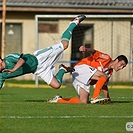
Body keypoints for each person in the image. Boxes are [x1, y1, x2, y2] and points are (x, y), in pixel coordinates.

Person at [0, 15, 86, 89]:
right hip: (39, 69)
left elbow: (23, 59)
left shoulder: (9, 58)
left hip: (40, 58)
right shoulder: (1, 75)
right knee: (57, 85)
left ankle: (73, 24)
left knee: (65, 45)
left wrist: (13, 70)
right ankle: (63, 69)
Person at [47, 46, 128, 104]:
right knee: (104, 76)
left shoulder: (109, 72)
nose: (121, 67)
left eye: (123, 67)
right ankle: (95, 97)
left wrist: (108, 99)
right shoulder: (106, 58)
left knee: (83, 101)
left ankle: (58, 100)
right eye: (121, 64)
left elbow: (103, 86)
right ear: (116, 60)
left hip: (81, 77)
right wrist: (86, 49)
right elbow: (94, 52)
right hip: (81, 67)